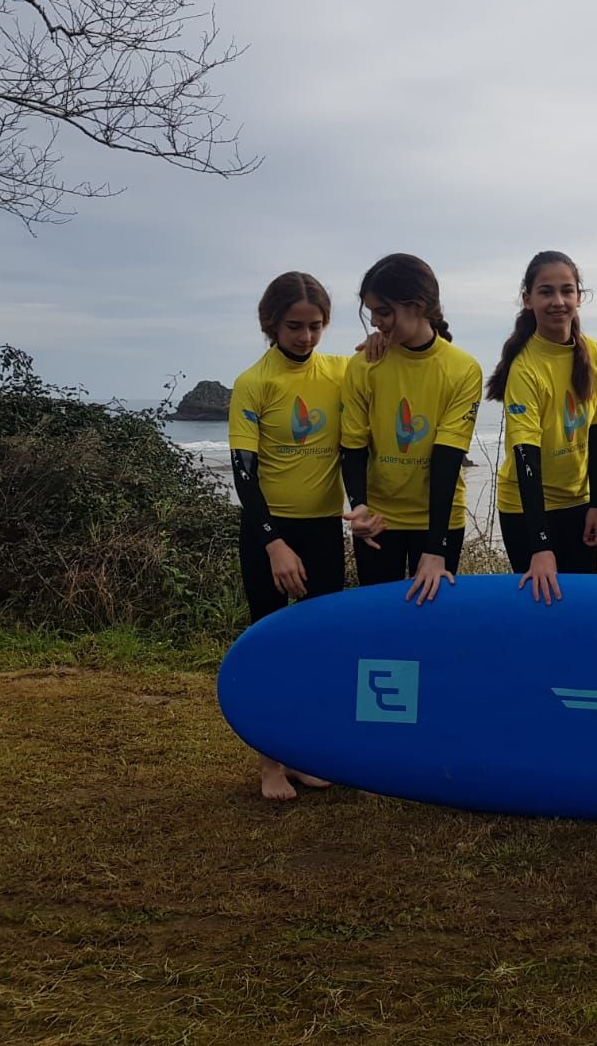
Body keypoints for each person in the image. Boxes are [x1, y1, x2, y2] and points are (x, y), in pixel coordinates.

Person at [228, 271, 349, 801]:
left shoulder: (340, 371)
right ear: (270, 324)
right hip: (268, 533)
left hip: (324, 529)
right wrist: (274, 543)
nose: (305, 337)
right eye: (294, 326)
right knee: (271, 650)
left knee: (318, 650)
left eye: (315, 326)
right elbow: (244, 475)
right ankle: (270, 764)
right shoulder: (254, 383)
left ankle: (302, 754)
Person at [339, 254, 482, 604]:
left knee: (432, 621)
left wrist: (434, 549)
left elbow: (446, 459)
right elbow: (354, 447)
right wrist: (359, 506)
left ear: (417, 307)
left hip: (439, 521)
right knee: (378, 618)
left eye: (383, 312)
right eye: (370, 311)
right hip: (378, 522)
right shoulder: (364, 365)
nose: (375, 322)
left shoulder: (462, 370)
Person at [488, 251, 597, 604]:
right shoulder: (525, 367)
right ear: (528, 299)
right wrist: (540, 546)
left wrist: (596, 505)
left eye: (567, 291)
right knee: (540, 607)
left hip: (578, 503)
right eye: (546, 292)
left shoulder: (592, 350)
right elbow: (526, 456)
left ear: (579, 297)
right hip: (526, 511)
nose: (558, 301)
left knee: (580, 605)